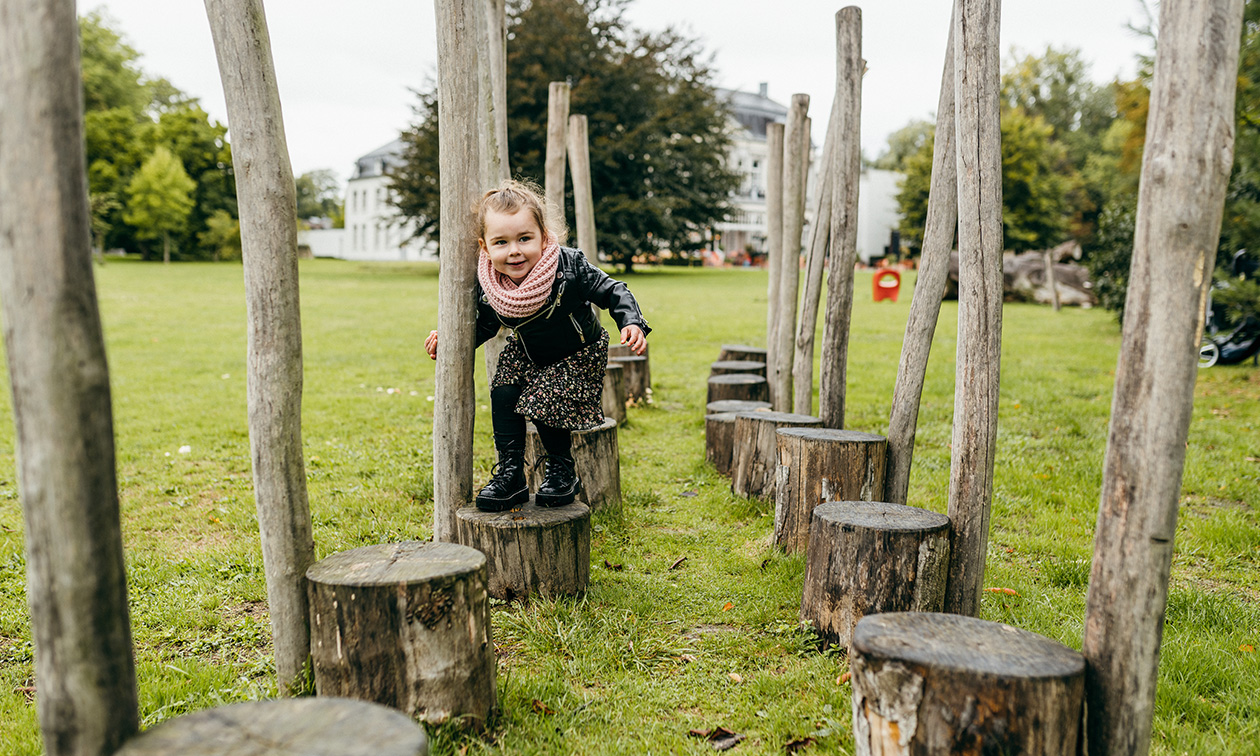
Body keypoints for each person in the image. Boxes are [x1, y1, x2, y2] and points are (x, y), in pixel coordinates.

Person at [425, 179, 649, 511]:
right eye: (501, 242)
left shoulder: (569, 265)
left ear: (543, 238)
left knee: (544, 398)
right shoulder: (493, 284)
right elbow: (486, 323)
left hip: (578, 352)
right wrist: (453, 338)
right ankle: (511, 473)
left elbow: (611, 290)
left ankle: (561, 469)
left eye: (524, 239)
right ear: (485, 248)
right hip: (530, 351)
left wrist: (630, 320)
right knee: (503, 390)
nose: (514, 250)